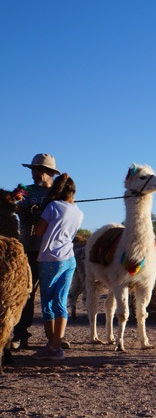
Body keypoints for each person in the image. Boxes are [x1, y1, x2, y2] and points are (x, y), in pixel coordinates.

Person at [12, 153, 60, 350]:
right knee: (27, 294)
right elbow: (15, 204)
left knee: (54, 294)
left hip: (52, 251)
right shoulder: (24, 191)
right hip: (29, 249)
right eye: (34, 169)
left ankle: (55, 337)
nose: (35, 173)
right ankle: (21, 335)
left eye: (40, 169)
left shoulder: (59, 193)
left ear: (50, 173)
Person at [32, 174, 83, 359]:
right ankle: (56, 346)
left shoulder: (52, 207)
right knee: (60, 302)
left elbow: (39, 232)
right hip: (69, 258)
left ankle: (51, 346)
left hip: (50, 259)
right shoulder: (79, 212)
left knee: (47, 304)